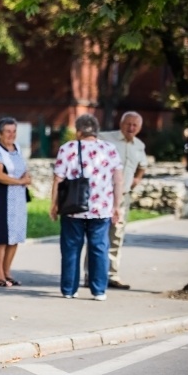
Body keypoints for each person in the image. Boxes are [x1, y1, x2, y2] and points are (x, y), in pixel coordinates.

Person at [50, 114, 123, 301]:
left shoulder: (67, 148)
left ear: (78, 131)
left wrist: (54, 205)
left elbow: (58, 179)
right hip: (102, 207)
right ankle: (99, 290)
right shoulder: (110, 149)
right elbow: (118, 180)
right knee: (99, 248)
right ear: (96, 131)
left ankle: (69, 289)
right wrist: (117, 206)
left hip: (73, 207)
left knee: (71, 248)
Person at [96, 111, 148, 289]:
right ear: (121, 123)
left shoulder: (139, 145)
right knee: (97, 235)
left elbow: (143, 166)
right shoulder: (104, 138)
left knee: (116, 236)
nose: (131, 128)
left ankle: (112, 275)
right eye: (128, 124)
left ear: (139, 128)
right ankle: (91, 275)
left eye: (135, 125)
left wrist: (137, 179)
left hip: (123, 197)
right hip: (102, 195)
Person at [0, 117, 32, 287]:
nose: (11, 135)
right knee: (2, 237)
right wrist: (20, 182)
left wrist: (26, 177)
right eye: (8, 131)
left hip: (19, 200)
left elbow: (23, 169)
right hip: (4, 199)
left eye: (14, 131)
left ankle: (7, 272)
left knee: (15, 237)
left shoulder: (17, 149)